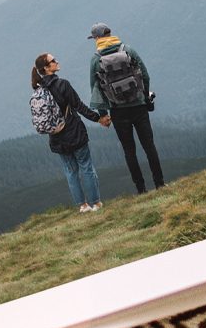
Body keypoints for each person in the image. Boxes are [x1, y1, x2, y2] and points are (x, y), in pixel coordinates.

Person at [87, 23, 165, 194]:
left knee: (129, 151)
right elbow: (145, 75)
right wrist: (145, 98)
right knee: (149, 146)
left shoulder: (96, 58)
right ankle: (160, 184)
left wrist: (103, 114)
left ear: (98, 38)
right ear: (110, 33)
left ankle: (141, 189)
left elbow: (96, 88)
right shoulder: (127, 50)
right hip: (139, 106)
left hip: (118, 110)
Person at [32, 52, 110, 212]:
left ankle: (82, 206)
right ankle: (96, 203)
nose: (57, 61)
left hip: (56, 137)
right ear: (47, 68)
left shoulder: (39, 91)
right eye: (53, 61)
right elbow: (78, 105)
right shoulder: (62, 84)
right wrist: (99, 119)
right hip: (74, 132)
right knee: (86, 167)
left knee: (70, 172)